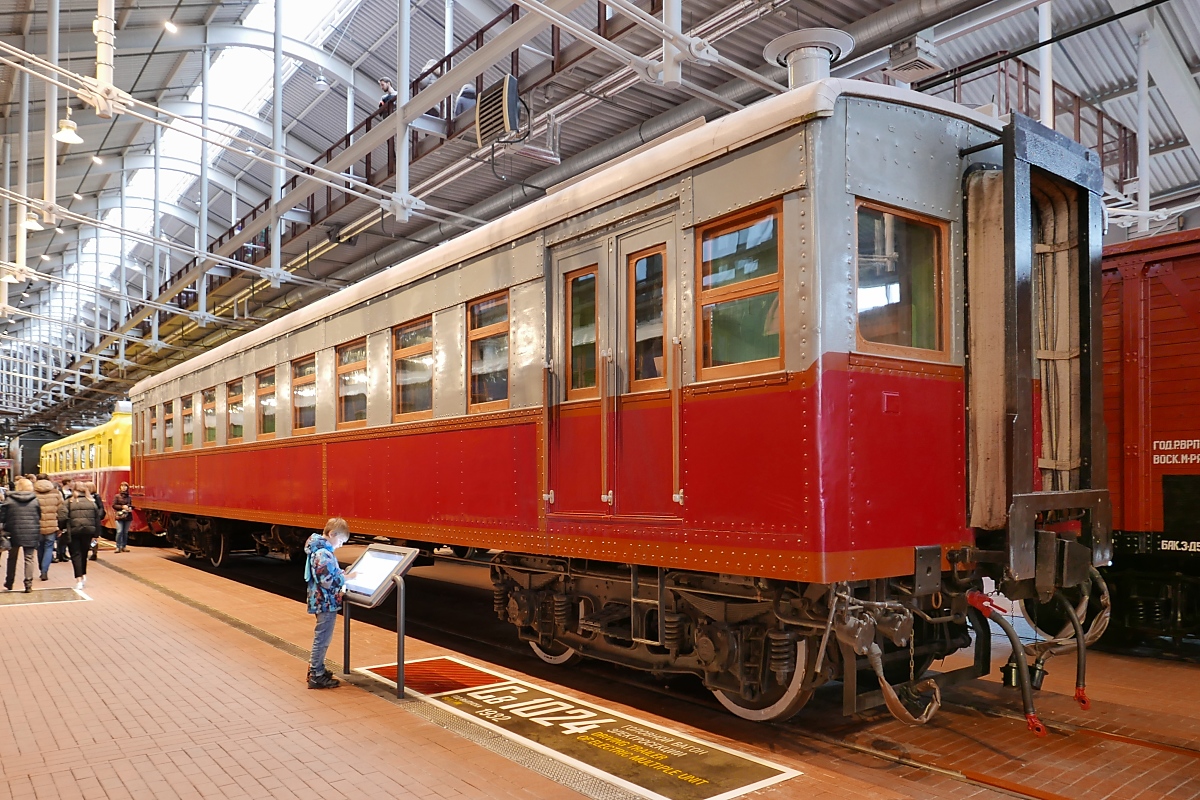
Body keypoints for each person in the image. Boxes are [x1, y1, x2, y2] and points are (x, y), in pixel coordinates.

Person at [304, 518, 356, 689]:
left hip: (322, 600)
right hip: (325, 601)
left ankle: (317, 668)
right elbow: (326, 580)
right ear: (332, 534)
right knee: (323, 638)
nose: (340, 545)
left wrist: (339, 572)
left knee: (322, 636)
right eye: (340, 541)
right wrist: (345, 578)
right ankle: (316, 674)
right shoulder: (323, 553)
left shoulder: (320, 550)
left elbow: (328, 572)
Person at [2, 478, 42, 593]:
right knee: (29, 558)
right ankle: (28, 584)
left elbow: (3, 517)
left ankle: (9, 582)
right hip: (31, 531)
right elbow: (39, 515)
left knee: (12, 557)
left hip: (13, 531)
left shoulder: (9, 500)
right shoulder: (35, 500)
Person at [58, 483, 101, 591]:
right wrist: (96, 535)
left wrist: (62, 528)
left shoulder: (69, 502)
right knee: (84, 553)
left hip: (73, 531)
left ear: (74, 489)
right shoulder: (92, 502)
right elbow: (97, 520)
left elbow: (62, 517)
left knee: (75, 555)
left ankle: (78, 580)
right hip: (88, 532)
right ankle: (83, 575)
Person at [33, 475, 64, 581]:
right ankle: (44, 571)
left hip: (37, 526)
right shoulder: (56, 493)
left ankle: (41, 567)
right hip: (52, 526)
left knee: (39, 548)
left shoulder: (32, 493)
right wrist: (60, 527)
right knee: (49, 548)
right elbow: (61, 511)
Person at [112, 482, 132, 553]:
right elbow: (114, 505)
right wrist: (122, 507)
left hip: (127, 516)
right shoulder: (117, 496)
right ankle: (118, 546)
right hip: (119, 516)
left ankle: (124, 546)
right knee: (119, 531)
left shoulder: (129, 497)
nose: (124, 487)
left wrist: (130, 508)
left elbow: (132, 505)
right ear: (120, 488)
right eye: (122, 486)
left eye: (125, 486)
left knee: (125, 532)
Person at [86, 482, 104, 562]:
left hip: (93, 520)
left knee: (93, 538)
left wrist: (98, 517)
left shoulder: (96, 497)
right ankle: (91, 551)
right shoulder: (87, 496)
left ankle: (94, 552)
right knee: (90, 538)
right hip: (90, 520)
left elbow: (101, 507)